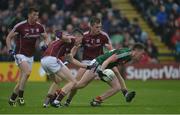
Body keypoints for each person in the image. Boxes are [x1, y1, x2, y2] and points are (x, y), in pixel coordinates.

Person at [64, 16, 129, 106]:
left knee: (116, 74)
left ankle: (124, 92)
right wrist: (69, 57)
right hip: (86, 62)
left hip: (100, 61)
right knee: (76, 82)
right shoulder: (84, 36)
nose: (99, 29)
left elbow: (111, 49)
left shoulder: (103, 36)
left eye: (100, 27)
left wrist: (114, 60)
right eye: (97, 27)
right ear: (91, 26)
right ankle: (68, 100)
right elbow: (75, 48)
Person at [53, 43, 144, 107]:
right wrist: (100, 71)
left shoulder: (128, 56)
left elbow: (117, 72)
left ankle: (97, 100)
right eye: (141, 53)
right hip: (98, 64)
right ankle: (58, 93)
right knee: (81, 85)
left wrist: (125, 92)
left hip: (104, 66)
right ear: (136, 51)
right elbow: (107, 60)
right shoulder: (126, 54)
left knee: (117, 87)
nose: (142, 56)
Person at [6, 7, 49, 106]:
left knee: (23, 78)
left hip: (30, 56)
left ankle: (12, 99)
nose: (36, 17)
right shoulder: (20, 26)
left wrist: (46, 44)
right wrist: (9, 49)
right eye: (34, 15)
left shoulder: (39, 27)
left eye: (37, 15)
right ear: (29, 15)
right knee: (27, 72)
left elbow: (46, 37)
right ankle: (20, 97)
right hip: (20, 53)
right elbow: (8, 37)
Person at [41, 29, 94, 108]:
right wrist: (61, 34)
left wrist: (87, 66)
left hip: (43, 61)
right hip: (52, 60)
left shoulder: (69, 45)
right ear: (78, 37)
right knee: (73, 81)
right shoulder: (71, 39)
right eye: (81, 40)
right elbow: (58, 34)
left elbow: (72, 60)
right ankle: (57, 101)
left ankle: (46, 103)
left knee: (57, 81)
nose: (80, 43)